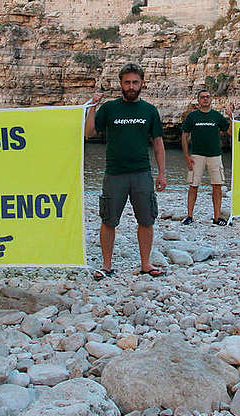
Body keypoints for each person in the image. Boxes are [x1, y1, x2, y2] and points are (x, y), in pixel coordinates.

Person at [85, 62, 166, 279]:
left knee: (147, 220)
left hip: (142, 173)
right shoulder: (110, 108)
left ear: (142, 84)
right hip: (114, 174)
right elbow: (89, 133)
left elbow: (158, 143)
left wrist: (162, 173)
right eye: (127, 82)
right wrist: (93, 106)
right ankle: (106, 265)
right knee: (109, 220)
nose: (131, 86)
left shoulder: (149, 110)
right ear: (121, 84)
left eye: (135, 82)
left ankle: (145, 264)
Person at [180, 89, 231, 225]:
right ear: (198, 100)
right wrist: (186, 156)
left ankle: (217, 217)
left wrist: (231, 117)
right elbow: (184, 136)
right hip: (197, 156)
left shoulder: (217, 116)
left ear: (211, 99)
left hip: (215, 155)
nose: (205, 99)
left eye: (208, 97)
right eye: (202, 97)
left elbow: (230, 132)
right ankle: (190, 216)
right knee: (193, 185)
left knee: (217, 186)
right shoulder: (192, 117)